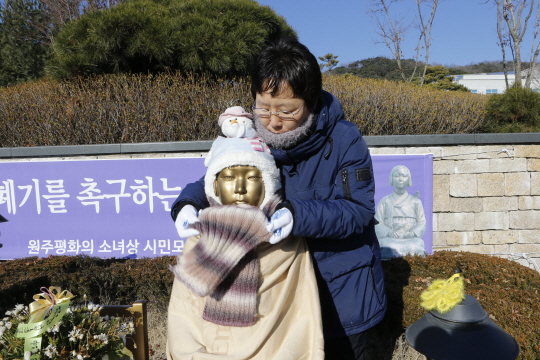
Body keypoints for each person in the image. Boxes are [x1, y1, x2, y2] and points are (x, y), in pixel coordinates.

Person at [171, 38, 387, 360]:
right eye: (263, 107)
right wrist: (187, 203)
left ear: (310, 101)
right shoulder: (250, 137)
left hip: (341, 296)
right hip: (279, 298)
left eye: (287, 111)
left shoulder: (344, 140)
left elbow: (358, 209)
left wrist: (298, 215)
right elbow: (217, 177)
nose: (272, 121)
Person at [167, 114, 324, 359]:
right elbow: (183, 318)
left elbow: (302, 317)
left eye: (252, 178)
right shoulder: (199, 239)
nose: (240, 188)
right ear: (215, 186)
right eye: (229, 178)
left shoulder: (287, 239)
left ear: (267, 185)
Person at [375, 165, 426, 259]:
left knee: (415, 246)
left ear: (409, 179)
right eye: (397, 176)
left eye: (404, 176)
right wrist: (389, 232)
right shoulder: (385, 201)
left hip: (410, 239)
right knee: (386, 246)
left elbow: (421, 222)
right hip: (390, 239)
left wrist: (412, 233)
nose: (400, 179)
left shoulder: (416, 202)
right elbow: (378, 222)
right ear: (391, 179)